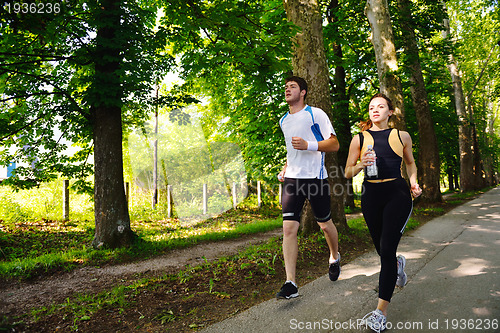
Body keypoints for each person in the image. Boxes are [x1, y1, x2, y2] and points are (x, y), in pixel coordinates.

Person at [344, 93, 422, 331]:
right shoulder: (359, 139)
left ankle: (380, 312)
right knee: (382, 250)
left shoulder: (402, 136)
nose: (375, 110)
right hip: (370, 196)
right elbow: (347, 172)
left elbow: (410, 163)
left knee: (386, 250)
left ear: (390, 112)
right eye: (371, 107)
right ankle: (397, 266)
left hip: (396, 194)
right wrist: (360, 165)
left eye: (380, 106)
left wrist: (414, 182)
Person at [276, 76, 341, 300]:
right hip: (292, 180)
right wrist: (286, 167)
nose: (287, 90)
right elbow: (291, 151)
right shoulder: (283, 120)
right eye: (286, 87)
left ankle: (334, 256)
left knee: (324, 224)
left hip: (315, 178)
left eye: (292, 86)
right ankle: (291, 283)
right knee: (288, 229)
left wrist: (308, 145)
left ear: (303, 92)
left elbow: (334, 143)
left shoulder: (316, 114)